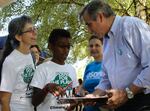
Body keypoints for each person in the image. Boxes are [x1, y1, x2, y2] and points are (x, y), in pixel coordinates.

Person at [79, 0, 150, 111]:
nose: (88, 30)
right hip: (121, 105)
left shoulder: (131, 26)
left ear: (100, 17)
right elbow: (105, 79)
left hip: (143, 102)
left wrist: (127, 93)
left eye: (89, 24)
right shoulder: (106, 41)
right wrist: (94, 95)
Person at [30, 28, 78, 111]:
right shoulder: (42, 69)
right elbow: (34, 102)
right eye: (62, 46)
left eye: (68, 47)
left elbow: (71, 102)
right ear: (50, 46)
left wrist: (76, 102)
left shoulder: (72, 70)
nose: (66, 50)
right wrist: (47, 88)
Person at [0, 15, 37, 111]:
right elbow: (4, 100)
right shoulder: (11, 61)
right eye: (30, 30)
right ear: (18, 37)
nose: (35, 32)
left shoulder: (31, 56)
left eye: (34, 28)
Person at [82, 35, 103, 111]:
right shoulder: (88, 66)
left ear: (103, 47)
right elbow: (82, 87)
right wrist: (82, 92)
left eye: (97, 45)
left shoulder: (110, 64)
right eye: (91, 46)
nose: (93, 48)